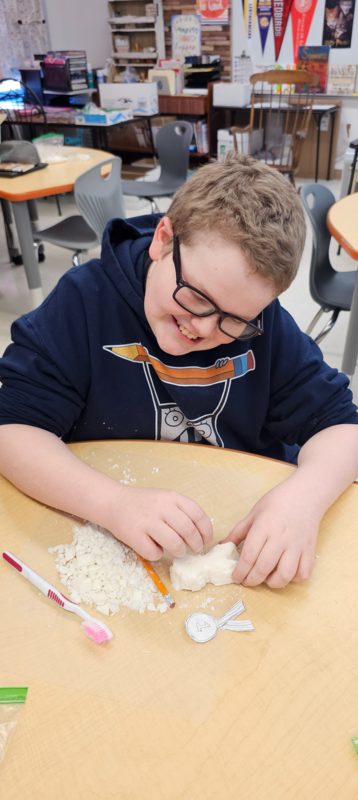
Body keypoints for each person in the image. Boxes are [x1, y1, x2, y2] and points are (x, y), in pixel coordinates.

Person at [0, 153, 357, 591]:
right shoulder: (83, 302)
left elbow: (343, 428)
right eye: (196, 296)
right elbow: (12, 430)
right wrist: (112, 503)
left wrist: (304, 498)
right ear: (163, 239)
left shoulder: (263, 325)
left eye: (234, 319)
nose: (203, 328)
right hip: (104, 534)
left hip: (234, 521)